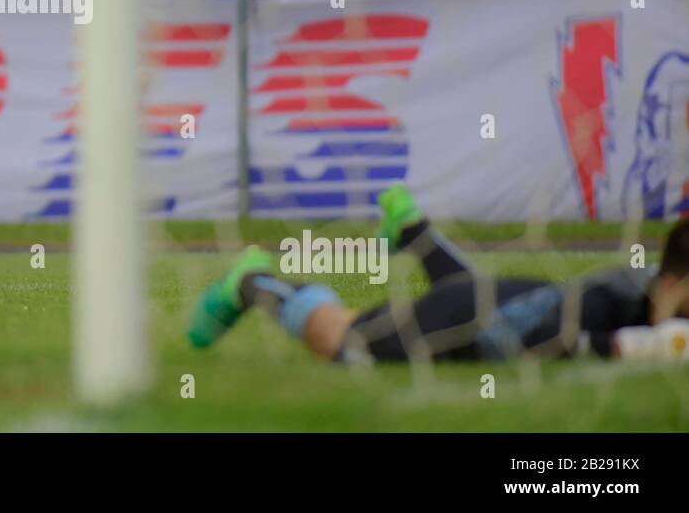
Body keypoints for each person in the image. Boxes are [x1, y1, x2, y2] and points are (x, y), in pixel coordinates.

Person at [189, 184, 689, 363]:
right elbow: (526, 339)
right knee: (344, 341)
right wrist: (623, 349)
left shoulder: (645, 282)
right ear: (668, 288)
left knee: (468, 293)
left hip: (498, 300)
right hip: (473, 319)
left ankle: (411, 228)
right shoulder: (614, 309)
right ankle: (253, 281)